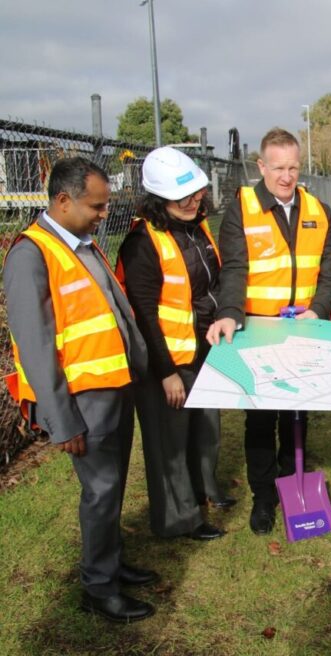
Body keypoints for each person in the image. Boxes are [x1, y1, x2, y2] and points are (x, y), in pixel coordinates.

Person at [4, 157, 156, 622]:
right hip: (83, 401)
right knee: (101, 490)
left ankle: (110, 561)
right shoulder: (32, 254)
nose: (102, 213)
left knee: (111, 489)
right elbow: (33, 346)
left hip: (113, 389)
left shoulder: (82, 242)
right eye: (96, 205)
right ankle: (98, 588)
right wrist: (61, 419)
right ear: (63, 200)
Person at [206, 128, 331, 535]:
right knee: (262, 418)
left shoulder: (318, 208)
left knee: (297, 413)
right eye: (278, 167)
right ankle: (264, 497)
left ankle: (291, 479)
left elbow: (330, 272)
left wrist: (318, 309)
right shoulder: (241, 208)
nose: (286, 176)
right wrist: (230, 312)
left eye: (293, 167)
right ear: (261, 166)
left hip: (303, 331)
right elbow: (234, 268)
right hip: (260, 332)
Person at [117, 146, 232, 541]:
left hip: (202, 351)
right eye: (183, 198)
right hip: (166, 361)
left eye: (197, 194)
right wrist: (166, 373)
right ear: (158, 200)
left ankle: (205, 491)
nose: (194, 202)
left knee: (206, 428)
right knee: (170, 442)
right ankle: (179, 519)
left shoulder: (195, 227)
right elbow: (144, 315)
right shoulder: (141, 243)